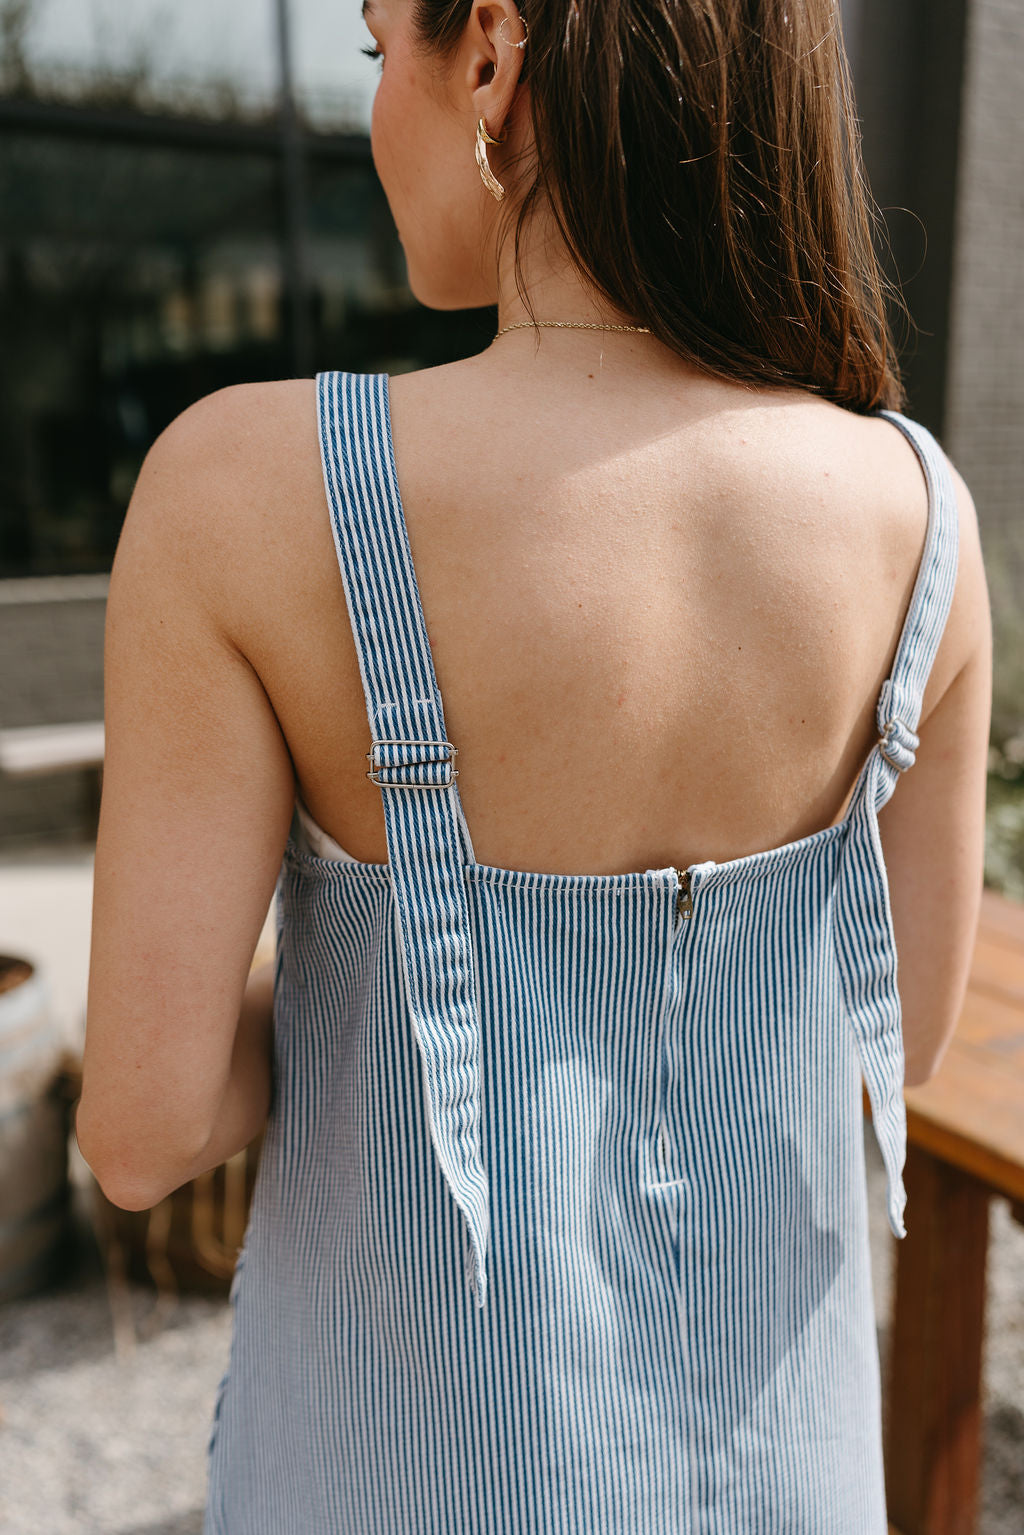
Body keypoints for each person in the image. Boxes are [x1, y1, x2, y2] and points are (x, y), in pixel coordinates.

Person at [76, 0, 992, 1530]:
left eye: (380, 52)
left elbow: (141, 1129)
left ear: (492, 52)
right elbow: (887, 1041)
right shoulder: (922, 512)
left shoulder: (243, 490)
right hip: (775, 1484)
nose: (373, 115)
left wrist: (365, 978)